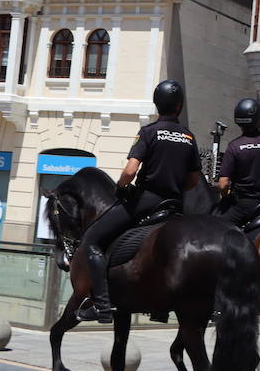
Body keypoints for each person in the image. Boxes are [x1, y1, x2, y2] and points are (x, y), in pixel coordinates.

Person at [76, 79, 203, 323]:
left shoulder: (149, 132)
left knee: (92, 240)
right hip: (175, 204)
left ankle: (101, 306)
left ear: (157, 105)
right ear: (179, 106)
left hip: (147, 200)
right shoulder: (189, 136)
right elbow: (194, 179)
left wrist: (122, 187)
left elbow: (130, 171)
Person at [215, 97, 260, 228]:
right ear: (259, 121)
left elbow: (223, 184)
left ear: (238, 121)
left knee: (214, 228)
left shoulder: (234, 146)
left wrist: (226, 197)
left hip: (241, 208)